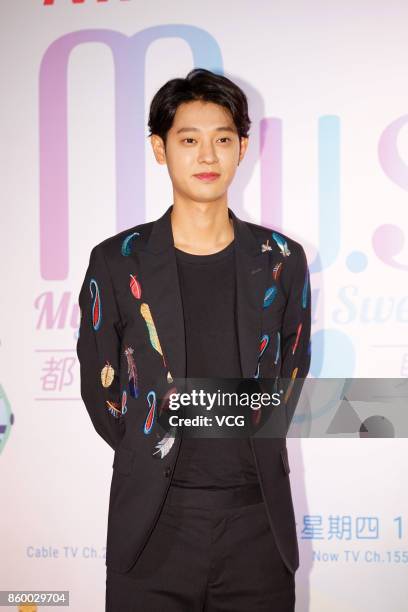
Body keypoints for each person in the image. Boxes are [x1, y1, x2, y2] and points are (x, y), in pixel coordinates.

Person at [76, 68, 311, 611]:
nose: (208, 155)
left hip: (257, 526)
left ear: (243, 148)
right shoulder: (117, 261)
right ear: (160, 149)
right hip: (154, 526)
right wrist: (154, 441)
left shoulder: (281, 260)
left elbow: (291, 372)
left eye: (223, 139)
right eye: (189, 140)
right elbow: (102, 386)